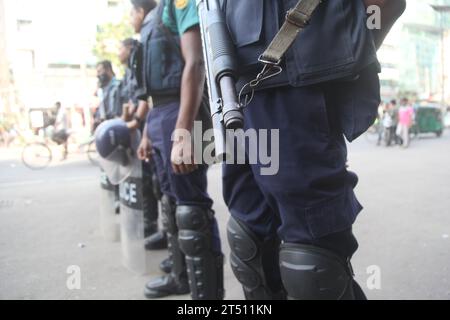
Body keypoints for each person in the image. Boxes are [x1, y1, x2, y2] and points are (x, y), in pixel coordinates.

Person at [220, 0, 406, 300]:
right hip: (238, 94)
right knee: (248, 240)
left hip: (297, 88)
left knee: (312, 265)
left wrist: (346, 51)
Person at [131, 0, 224, 300]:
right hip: (159, 114)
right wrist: (146, 132)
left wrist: (183, 131)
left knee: (191, 210)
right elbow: (151, 90)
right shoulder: (154, 18)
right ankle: (181, 278)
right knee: (171, 207)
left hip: (181, 110)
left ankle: (207, 299)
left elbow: (194, 63)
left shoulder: (181, 3)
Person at [118, 38, 167, 250]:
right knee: (149, 182)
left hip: (152, 124)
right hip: (143, 128)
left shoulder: (145, 58)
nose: (118, 52)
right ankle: (153, 225)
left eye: (120, 48)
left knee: (159, 183)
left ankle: (162, 230)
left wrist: (136, 121)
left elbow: (146, 98)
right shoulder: (131, 70)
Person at [94, 60, 122, 128]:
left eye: (99, 71)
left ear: (108, 70)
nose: (98, 75)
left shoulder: (118, 86)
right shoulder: (102, 90)